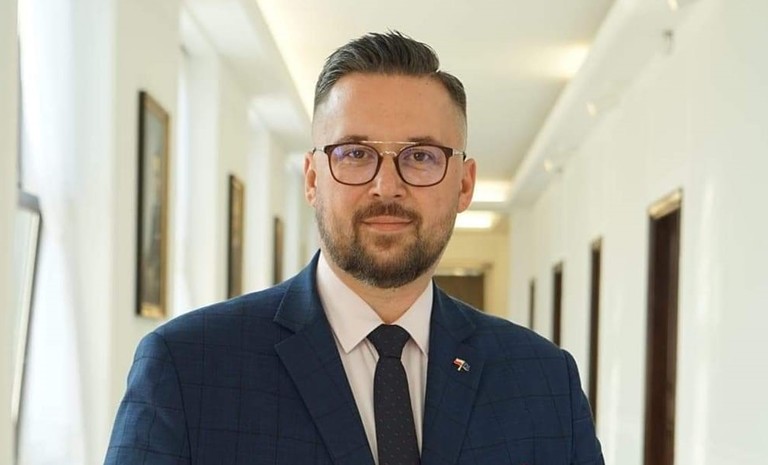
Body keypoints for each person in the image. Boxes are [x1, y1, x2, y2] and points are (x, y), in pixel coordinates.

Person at [104, 31, 604, 465]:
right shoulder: (189, 369)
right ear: (313, 178)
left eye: (421, 156)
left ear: (464, 184)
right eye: (355, 153)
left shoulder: (543, 381)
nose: (387, 186)